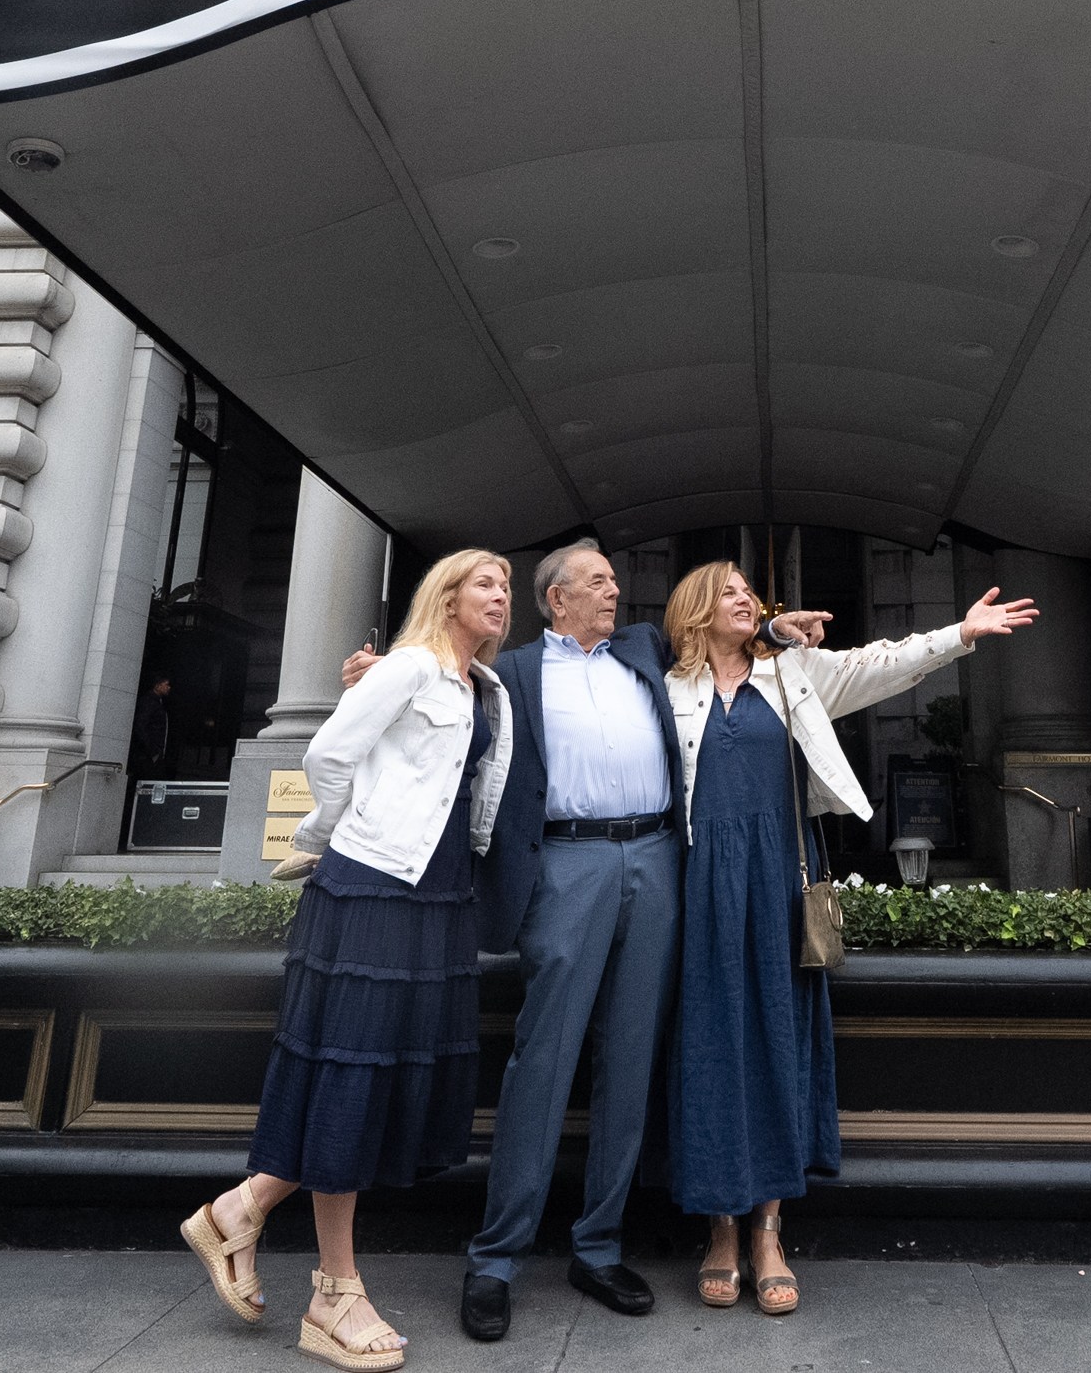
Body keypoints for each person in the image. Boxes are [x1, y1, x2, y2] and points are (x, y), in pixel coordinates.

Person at [340, 541, 827, 1340]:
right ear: (555, 598)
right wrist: (375, 677)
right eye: (597, 581)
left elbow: (724, 643)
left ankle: (597, 1246)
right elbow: (442, 674)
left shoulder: (642, 647)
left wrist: (778, 633)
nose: (614, 590)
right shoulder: (517, 672)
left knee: (631, 1058)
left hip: (659, 861)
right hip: (565, 865)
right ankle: (496, 1257)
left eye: (613, 580)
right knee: (546, 1056)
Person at [665, 561, 1038, 1316]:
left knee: (776, 1038)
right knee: (711, 1043)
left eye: (752, 593)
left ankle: (768, 1229)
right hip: (699, 884)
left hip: (777, 877)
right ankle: (720, 1230)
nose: (748, 600)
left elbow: (881, 664)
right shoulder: (665, 687)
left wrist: (958, 635)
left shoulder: (794, 672)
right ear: (697, 610)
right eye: (731, 592)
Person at [182, 550, 516, 1373]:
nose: (502, 596)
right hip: (373, 883)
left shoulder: (488, 689)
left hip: (437, 891)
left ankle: (241, 1210)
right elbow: (328, 755)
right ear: (444, 597)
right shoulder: (410, 668)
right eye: (486, 584)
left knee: (384, 1072)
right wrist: (341, 828)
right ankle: (333, 1291)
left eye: (508, 587)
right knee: (354, 1072)